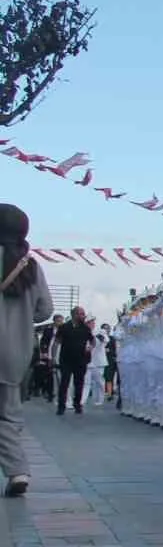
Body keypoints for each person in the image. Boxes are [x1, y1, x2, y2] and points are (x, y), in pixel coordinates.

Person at [1, 205, 52, 496]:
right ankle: (18, 471)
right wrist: (20, 317)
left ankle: (17, 470)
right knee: (9, 414)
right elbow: (45, 309)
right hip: (15, 352)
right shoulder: (30, 265)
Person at [53, 305, 95, 416]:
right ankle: (61, 406)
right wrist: (53, 358)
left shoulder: (85, 328)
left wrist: (90, 347)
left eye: (83, 314)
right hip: (66, 360)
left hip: (80, 360)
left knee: (79, 383)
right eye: (81, 314)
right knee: (64, 383)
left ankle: (77, 405)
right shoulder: (64, 327)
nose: (83, 316)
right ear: (74, 315)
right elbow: (56, 342)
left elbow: (92, 341)